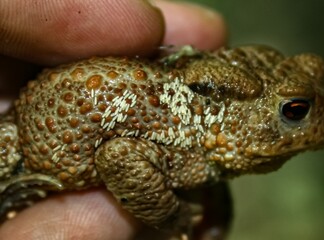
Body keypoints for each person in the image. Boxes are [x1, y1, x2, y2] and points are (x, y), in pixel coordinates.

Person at [0, 0, 227, 239]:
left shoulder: (193, 129)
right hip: (30, 137)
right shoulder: (188, 127)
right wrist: (170, 215)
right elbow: (118, 156)